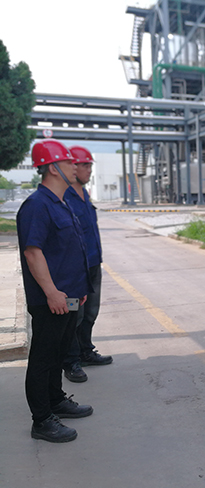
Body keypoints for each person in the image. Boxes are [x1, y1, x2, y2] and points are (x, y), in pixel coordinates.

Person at [17, 140, 94, 443]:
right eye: (68, 162)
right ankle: (42, 420)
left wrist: (78, 290)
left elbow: (68, 251)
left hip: (69, 296)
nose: (75, 166)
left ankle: (56, 401)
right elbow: (33, 252)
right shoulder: (37, 205)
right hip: (51, 299)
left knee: (60, 352)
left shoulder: (61, 202)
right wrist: (51, 292)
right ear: (52, 168)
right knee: (44, 357)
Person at [62, 146, 112, 383]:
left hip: (92, 264)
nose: (89, 170)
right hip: (74, 269)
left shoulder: (84, 194)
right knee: (74, 315)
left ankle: (85, 351)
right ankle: (71, 362)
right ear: (72, 167)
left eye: (90, 165)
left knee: (91, 311)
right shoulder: (63, 197)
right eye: (85, 165)